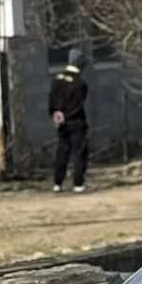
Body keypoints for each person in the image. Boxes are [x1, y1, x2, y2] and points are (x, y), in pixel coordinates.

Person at [49, 47, 89, 193]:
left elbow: (52, 99)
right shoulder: (80, 83)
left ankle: (57, 182)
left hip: (60, 122)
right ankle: (78, 183)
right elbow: (77, 104)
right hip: (76, 121)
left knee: (62, 151)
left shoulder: (57, 79)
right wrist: (68, 114)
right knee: (79, 152)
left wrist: (55, 113)